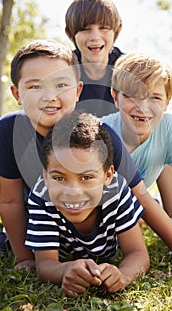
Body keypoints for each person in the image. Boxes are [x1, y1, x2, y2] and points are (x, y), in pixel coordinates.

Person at [0, 39, 144, 268]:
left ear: (78, 91)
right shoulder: (10, 129)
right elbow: (12, 201)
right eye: (35, 86)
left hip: (80, 209)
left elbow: (139, 193)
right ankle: (2, 234)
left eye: (61, 85)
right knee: (18, 213)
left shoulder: (97, 135)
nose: (49, 96)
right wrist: (24, 258)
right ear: (16, 93)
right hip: (34, 209)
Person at [25, 111, 150, 297]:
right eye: (59, 177)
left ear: (108, 175)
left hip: (110, 229)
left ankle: (134, 218)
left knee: (133, 221)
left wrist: (124, 275)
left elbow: (138, 254)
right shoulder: (42, 195)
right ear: (45, 176)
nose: (72, 192)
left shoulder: (116, 190)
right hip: (54, 240)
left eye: (86, 177)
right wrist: (65, 270)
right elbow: (45, 265)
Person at [100, 51, 172, 246]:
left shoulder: (168, 125)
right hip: (103, 215)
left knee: (165, 149)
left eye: (154, 98)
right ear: (115, 97)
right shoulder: (102, 132)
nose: (142, 107)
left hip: (136, 201)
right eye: (132, 96)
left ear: (167, 102)